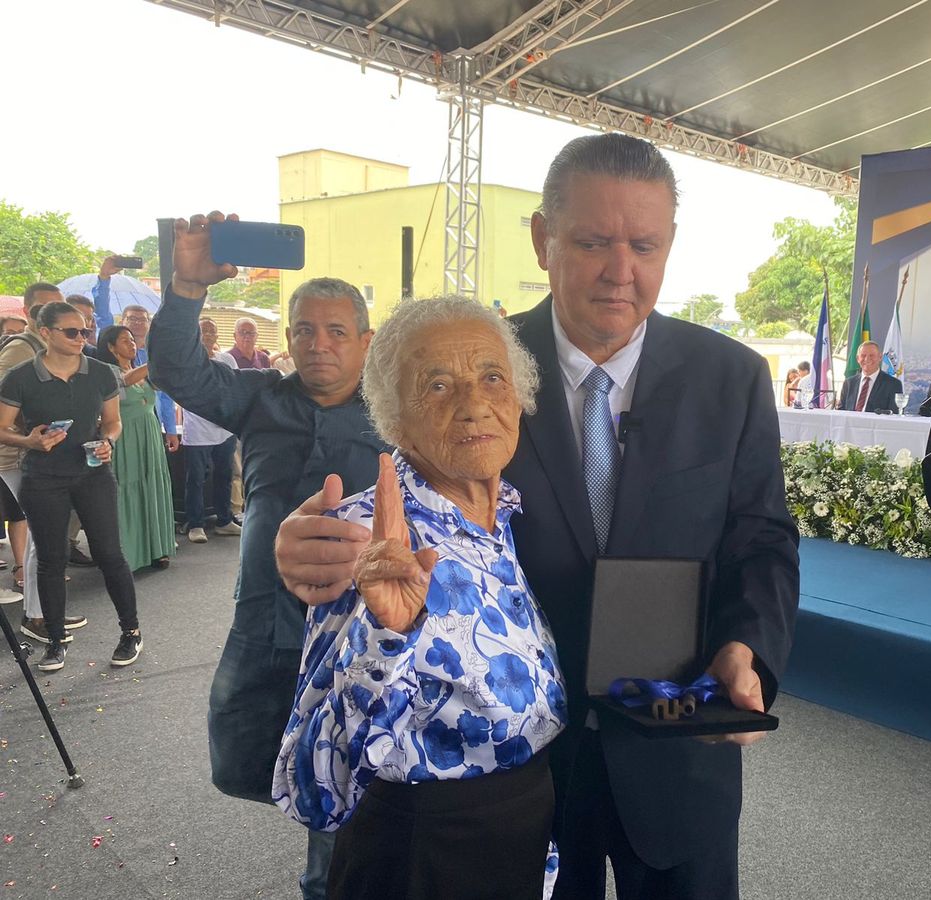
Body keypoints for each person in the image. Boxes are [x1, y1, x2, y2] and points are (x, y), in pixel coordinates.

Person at [275, 133, 800, 900]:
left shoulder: (731, 377)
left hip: (677, 751)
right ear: (543, 239)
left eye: (645, 245)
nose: (621, 272)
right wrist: (301, 544)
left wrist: (748, 647)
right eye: (592, 241)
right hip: (522, 789)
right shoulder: (474, 359)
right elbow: (389, 489)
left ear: (670, 247)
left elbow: (763, 538)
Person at [274, 298, 566, 899]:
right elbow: (316, 773)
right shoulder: (370, 536)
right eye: (438, 385)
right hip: (422, 850)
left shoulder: (501, 510)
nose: (475, 405)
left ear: (518, 397)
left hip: (519, 824)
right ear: (394, 418)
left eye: (492, 377)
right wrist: (388, 637)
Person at [147, 213, 385, 900]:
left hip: (354, 632)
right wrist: (187, 289)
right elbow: (175, 368)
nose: (319, 345)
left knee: (341, 793)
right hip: (264, 618)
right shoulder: (257, 400)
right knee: (241, 758)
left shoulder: (394, 418)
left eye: (337, 331)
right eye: (304, 330)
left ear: (366, 343)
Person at [0, 302, 142, 672]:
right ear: (45, 332)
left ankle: (131, 632)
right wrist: (29, 441)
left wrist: (108, 440)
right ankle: (55, 640)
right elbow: (1, 427)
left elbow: (113, 421)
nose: (82, 338)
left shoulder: (99, 373)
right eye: (71, 331)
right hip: (42, 478)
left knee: (110, 555)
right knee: (50, 560)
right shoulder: (19, 376)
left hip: (92, 473)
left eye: (85, 331)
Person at [0, 286, 88, 641]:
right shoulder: (21, 348)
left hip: (36, 454)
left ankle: (43, 612)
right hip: (16, 457)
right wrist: (28, 434)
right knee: (41, 537)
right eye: (43, 307)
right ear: (29, 310)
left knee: (44, 536)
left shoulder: (43, 348)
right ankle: (37, 617)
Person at [94, 325, 175, 571]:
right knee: (128, 489)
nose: (131, 344)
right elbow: (125, 381)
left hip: (150, 434)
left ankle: (157, 547)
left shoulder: (137, 367)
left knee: (152, 487)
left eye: (132, 339)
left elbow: (159, 388)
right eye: (124, 340)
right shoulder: (107, 370)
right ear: (110, 346)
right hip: (126, 436)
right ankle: (128, 552)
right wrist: (154, 361)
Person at [183, 319, 240, 544]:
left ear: (218, 336)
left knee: (225, 475)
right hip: (197, 431)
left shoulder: (227, 359)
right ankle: (196, 524)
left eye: (212, 331)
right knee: (195, 479)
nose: (208, 335)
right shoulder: (186, 362)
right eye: (203, 330)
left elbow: (236, 388)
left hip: (225, 430)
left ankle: (224, 520)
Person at [119, 304, 181, 455]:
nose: (138, 323)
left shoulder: (155, 353)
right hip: (125, 425)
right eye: (132, 318)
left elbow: (166, 395)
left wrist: (170, 429)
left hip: (153, 422)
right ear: (122, 321)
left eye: (143, 319)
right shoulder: (114, 355)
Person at [837, 340, 902, 413]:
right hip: (849, 424)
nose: (867, 359)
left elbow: (894, 415)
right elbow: (840, 412)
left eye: (872, 355)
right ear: (858, 359)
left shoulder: (893, 384)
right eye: (863, 355)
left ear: (880, 357)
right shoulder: (849, 383)